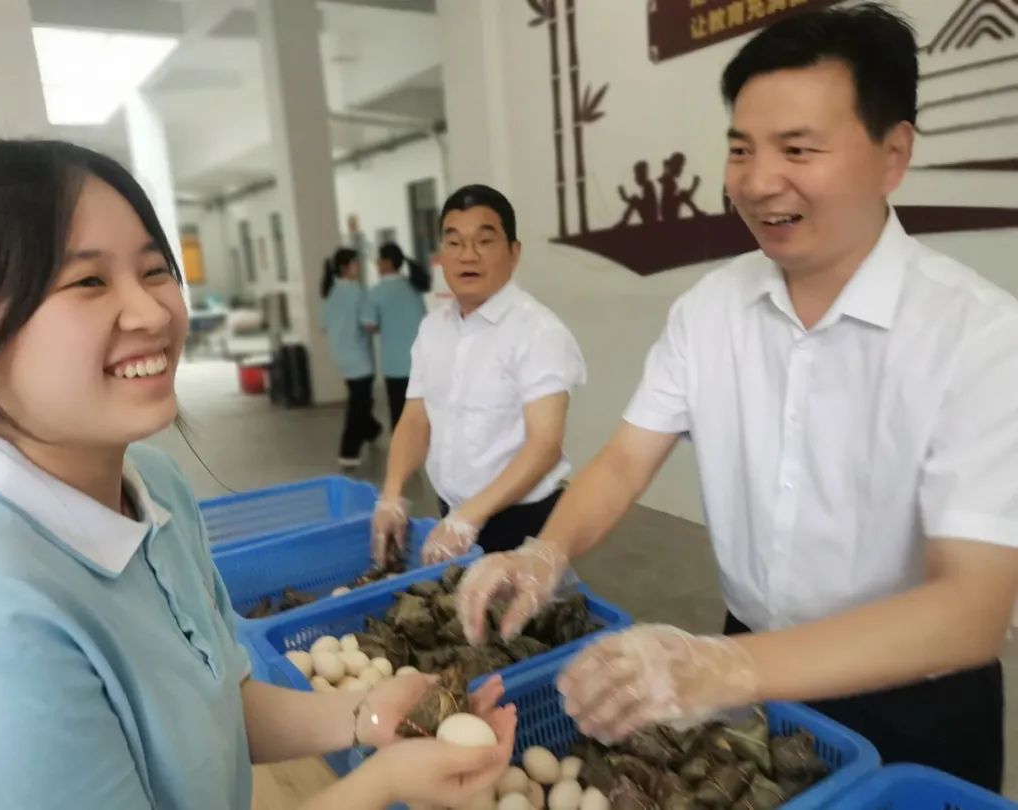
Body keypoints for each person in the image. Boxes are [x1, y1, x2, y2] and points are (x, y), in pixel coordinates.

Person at [456, 4, 1018, 792]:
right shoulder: (709, 312)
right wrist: (545, 550)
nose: (759, 182)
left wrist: (724, 667)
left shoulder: (981, 335)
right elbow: (623, 460)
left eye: (798, 149)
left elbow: (971, 611)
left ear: (893, 155)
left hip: (912, 697)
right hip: (742, 668)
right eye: (741, 149)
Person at [0, 139, 516, 810]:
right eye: (88, 281)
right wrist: (383, 784)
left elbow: (219, 705)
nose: (155, 313)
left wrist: (365, 717)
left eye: (155, 270)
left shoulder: (155, 487)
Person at [371, 184, 586, 566]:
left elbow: (544, 445)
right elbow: (417, 418)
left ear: (513, 252)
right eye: (454, 242)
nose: (467, 255)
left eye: (484, 241)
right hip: (452, 515)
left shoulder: (538, 332)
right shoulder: (433, 329)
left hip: (523, 521)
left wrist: (469, 516)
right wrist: (392, 493)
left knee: (524, 622)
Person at [321, 248, 382, 467]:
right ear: (345, 268)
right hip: (359, 356)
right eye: (355, 264)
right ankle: (348, 451)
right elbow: (369, 323)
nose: (359, 267)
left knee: (361, 398)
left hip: (341, 355)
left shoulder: (330, 293)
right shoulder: (358, 292)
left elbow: (324, 325)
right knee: (359, 404)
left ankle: (373, 430)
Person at [362, 242, 430, 429]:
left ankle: (402, 455)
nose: (376, 264)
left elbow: (370, 325)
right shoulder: (413, 288)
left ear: (387, 263)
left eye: (379, 260)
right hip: (419, 362)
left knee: (399, 414)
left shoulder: (376, 292)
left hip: (394, 365)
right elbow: (424, 318)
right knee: (420, 413)